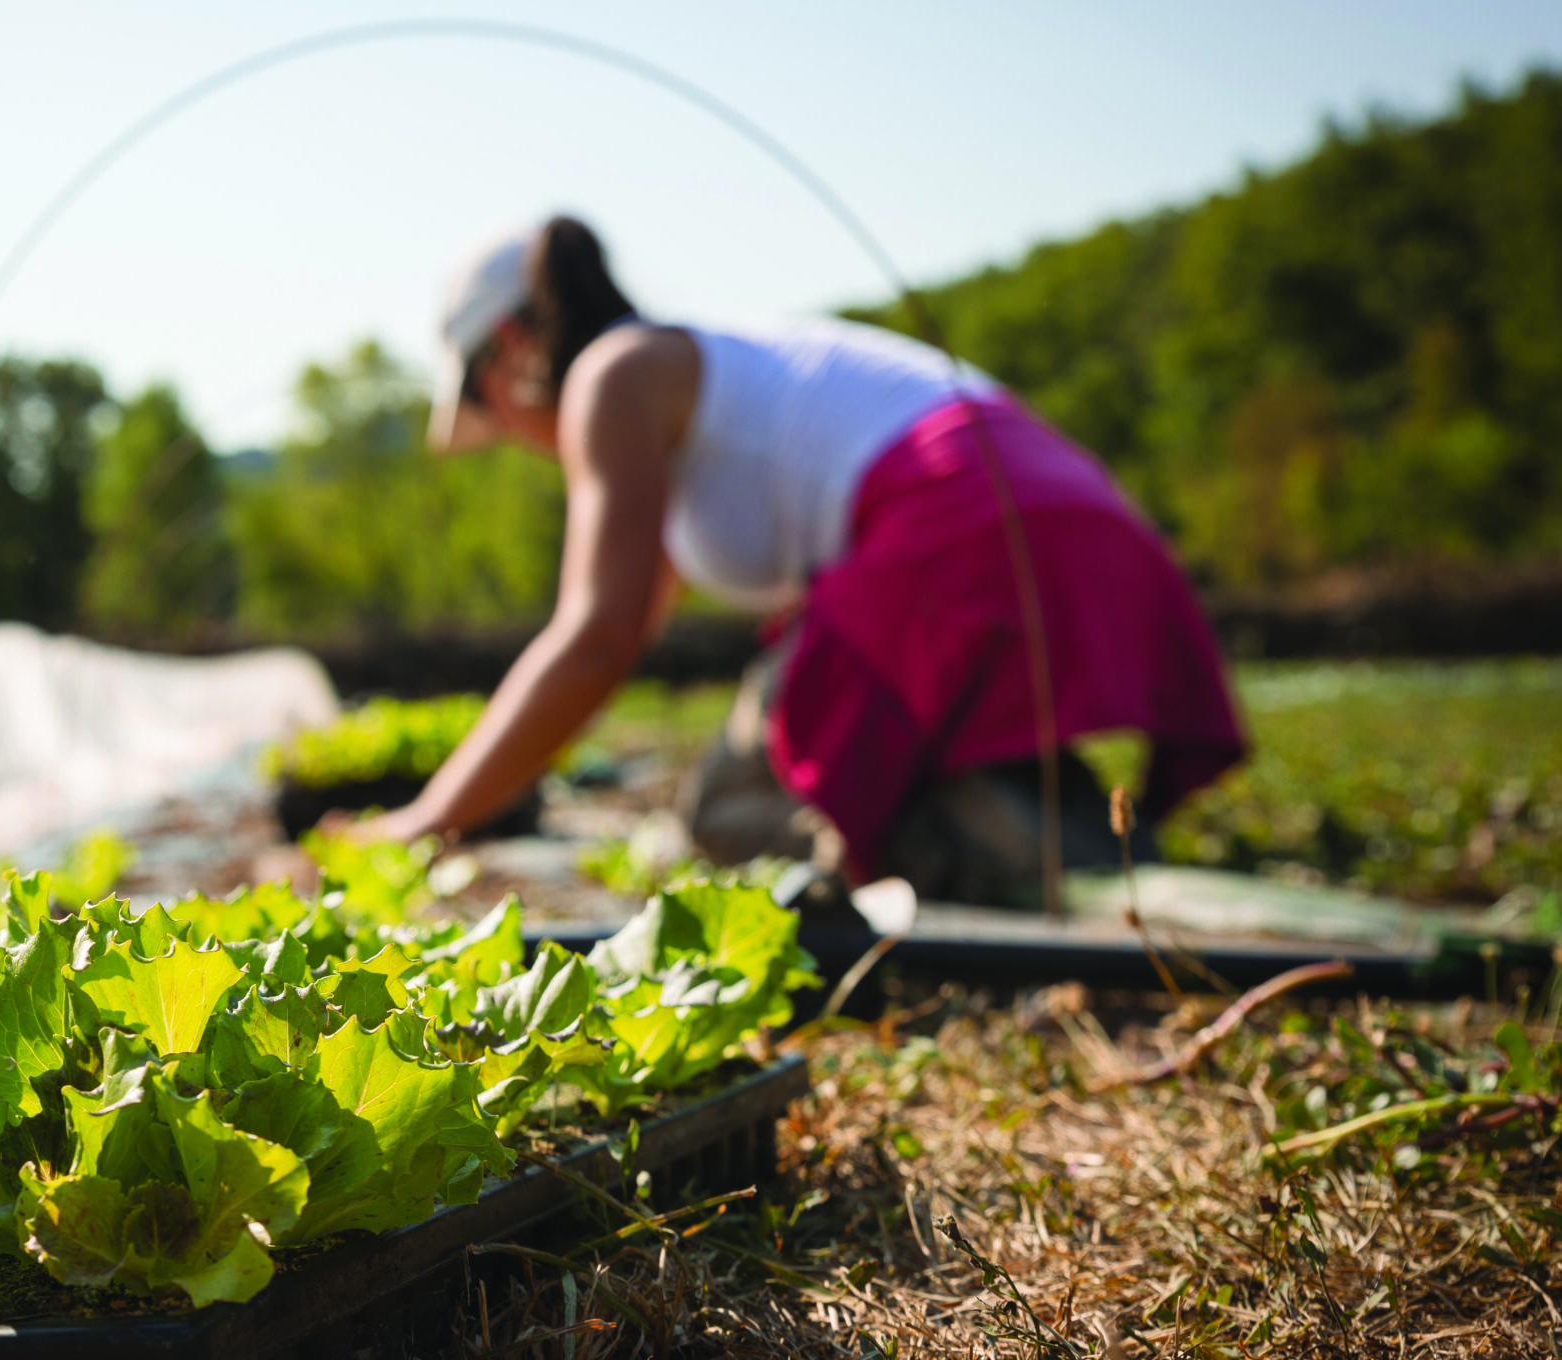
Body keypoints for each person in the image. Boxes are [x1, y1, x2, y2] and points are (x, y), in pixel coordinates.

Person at [343, 215, 1246, 908]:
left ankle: (1043, 857)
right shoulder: (689, 372)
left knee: (734, 808)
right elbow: (613, 639)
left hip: (964, 528)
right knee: (744, 787)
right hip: (1074, 517)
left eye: (487, 405)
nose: (504, 430)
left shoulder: (613, 376)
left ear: (510, 346)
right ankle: (1046, 828)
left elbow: (593, 641)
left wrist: (426, 819)